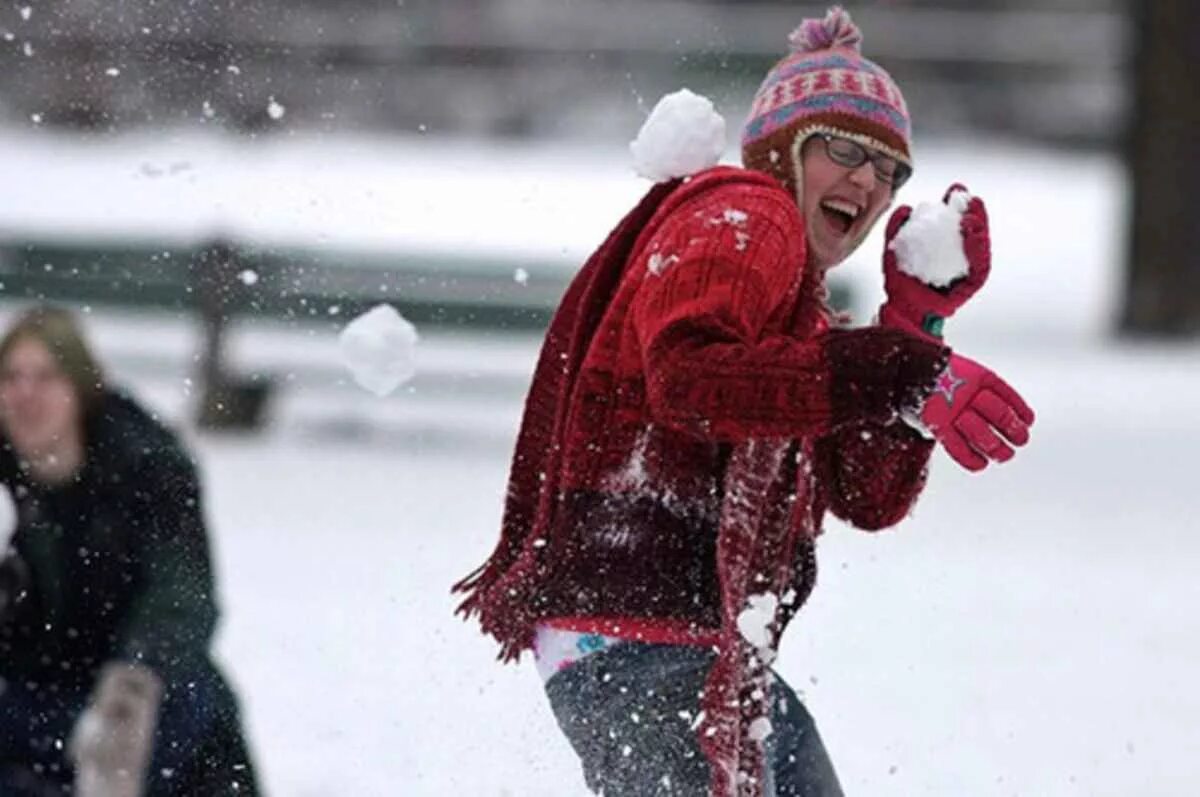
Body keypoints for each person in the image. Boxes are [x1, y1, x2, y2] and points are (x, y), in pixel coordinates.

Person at [454, 7, 1035, 797]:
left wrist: (913, 329)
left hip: (693, 649)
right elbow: (692, 379)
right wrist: (901, 370)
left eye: (889, 169)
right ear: (780, 149)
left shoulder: (795, 310)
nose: (867, 182)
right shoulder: (744, 213)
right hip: (638, 642)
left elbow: (865, 496)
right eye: (843, 149)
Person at [0, 305, 260, 796]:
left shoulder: (147, 466)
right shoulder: (11, 467)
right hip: (36, 689)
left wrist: (133, 682)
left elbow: (182, 594)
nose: (24, 395)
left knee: (172, 708)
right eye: (10, 377)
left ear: (80, 388)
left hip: (146, 694)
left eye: (45, 377)